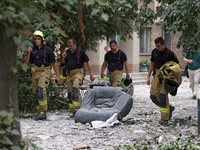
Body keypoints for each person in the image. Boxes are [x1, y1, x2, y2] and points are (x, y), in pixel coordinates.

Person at [24, 30, 60, 120]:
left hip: (45, 72)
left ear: (42, 40)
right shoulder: (32, 50)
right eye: (35, 39)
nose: (36, 41)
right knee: (35, 94)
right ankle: (39, 112)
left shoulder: (48, 50)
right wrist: (28, 53)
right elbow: (26, 63)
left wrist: (58, 76)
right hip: (34, 72)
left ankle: (43, 112)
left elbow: (54, 64)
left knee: (41, 89)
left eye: (38, 39)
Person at [147, 37, 180, 125]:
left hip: (166, 77)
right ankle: (169, 108)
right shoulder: (154, 52)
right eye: (156, 46)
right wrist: (148, 77)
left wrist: (173, 80)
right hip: (156, 75)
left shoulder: (170, 53)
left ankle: (164, 119)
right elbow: (152, 64)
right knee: (153, 96)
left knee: (163, 97)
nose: (157, 48)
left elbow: (178, 66)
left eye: (159, 46)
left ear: (163, 44)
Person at [62, 38, 95, 118]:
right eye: (69, 46)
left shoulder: (81, 52)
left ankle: (77, 111)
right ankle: (71, 111)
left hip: (78, 72)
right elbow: (64, 63)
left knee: (75, 90)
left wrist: (91, 75)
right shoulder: (67, 52)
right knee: (70, 93)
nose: (70, 47)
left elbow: (88, 62)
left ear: (75, 44)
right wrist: (63, 57)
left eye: (71, 46)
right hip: (69, 73)